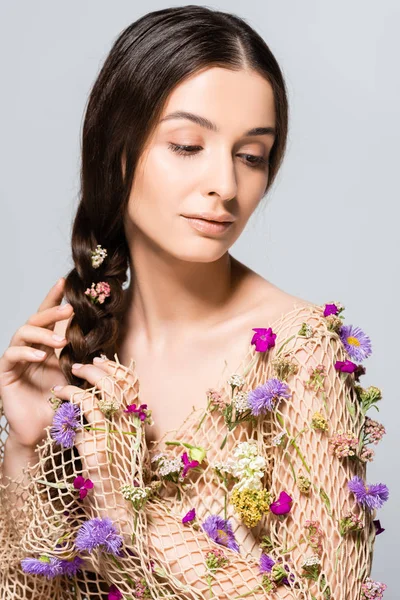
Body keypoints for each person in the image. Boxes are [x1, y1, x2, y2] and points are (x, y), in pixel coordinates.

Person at [0, 6, 388, 600]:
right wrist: (28, 448)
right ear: (117, 149)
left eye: (251, 155)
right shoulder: (82, 349)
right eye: (187, 145)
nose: (227, 187)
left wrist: (128, 522)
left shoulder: (300, 357)